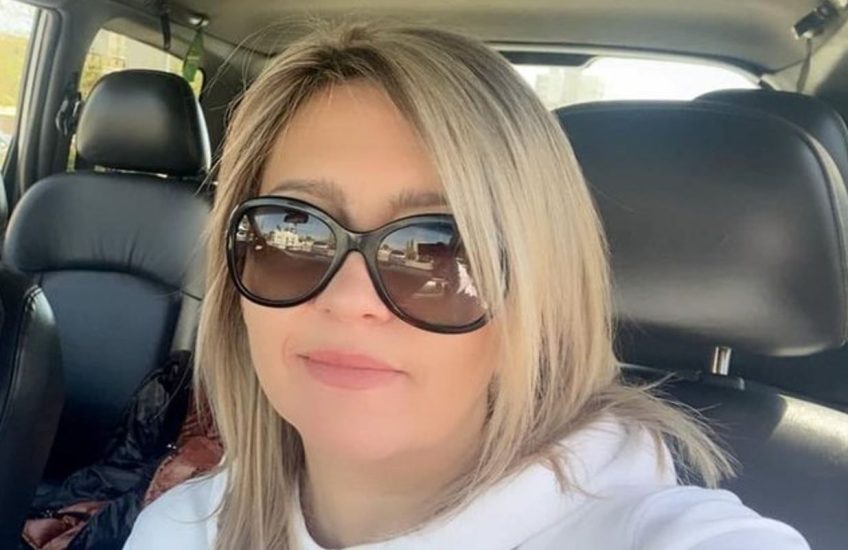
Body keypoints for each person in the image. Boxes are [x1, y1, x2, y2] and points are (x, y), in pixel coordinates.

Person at [123, 22, 810, 550]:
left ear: (538, 298)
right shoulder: (177, 530)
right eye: (292, 232)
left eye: (441, 248)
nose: (351, 300)